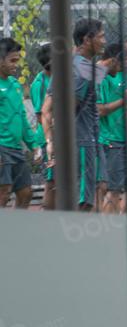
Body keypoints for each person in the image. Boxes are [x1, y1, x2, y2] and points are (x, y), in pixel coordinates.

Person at [42, 17, 107, 211]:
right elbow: (67, 109)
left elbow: (46, 108)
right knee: (84, 201)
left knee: (99, 188)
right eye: (101, 37)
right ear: (87, 39)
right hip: (83, 141)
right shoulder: (84, 70)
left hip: (85, 140)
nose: (104, 41)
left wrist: (51, 141)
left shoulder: (65, 64)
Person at [0, 38, 43, 209]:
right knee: (3, 192)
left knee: (25, 193)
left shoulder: (15, 85)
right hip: (1, 147)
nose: (15, 65)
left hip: (16, 148)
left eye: (17, 61)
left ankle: (16, 230)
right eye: (12, 61)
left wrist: (34, 145)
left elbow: (23, 119)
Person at [97, 42, 127, 214]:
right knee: (112, 189)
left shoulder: (125, 76)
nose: (124, 65)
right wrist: (125, 100)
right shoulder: (101, 77)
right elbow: (100, 110)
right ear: (113, 60)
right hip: (110, 140)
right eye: (122, 61)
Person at [29, 44, 52, 208]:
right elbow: (40, 115)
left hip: (64, 137)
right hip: (47, 139)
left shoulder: (65, 76)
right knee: (52, 182)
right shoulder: (40, 83)